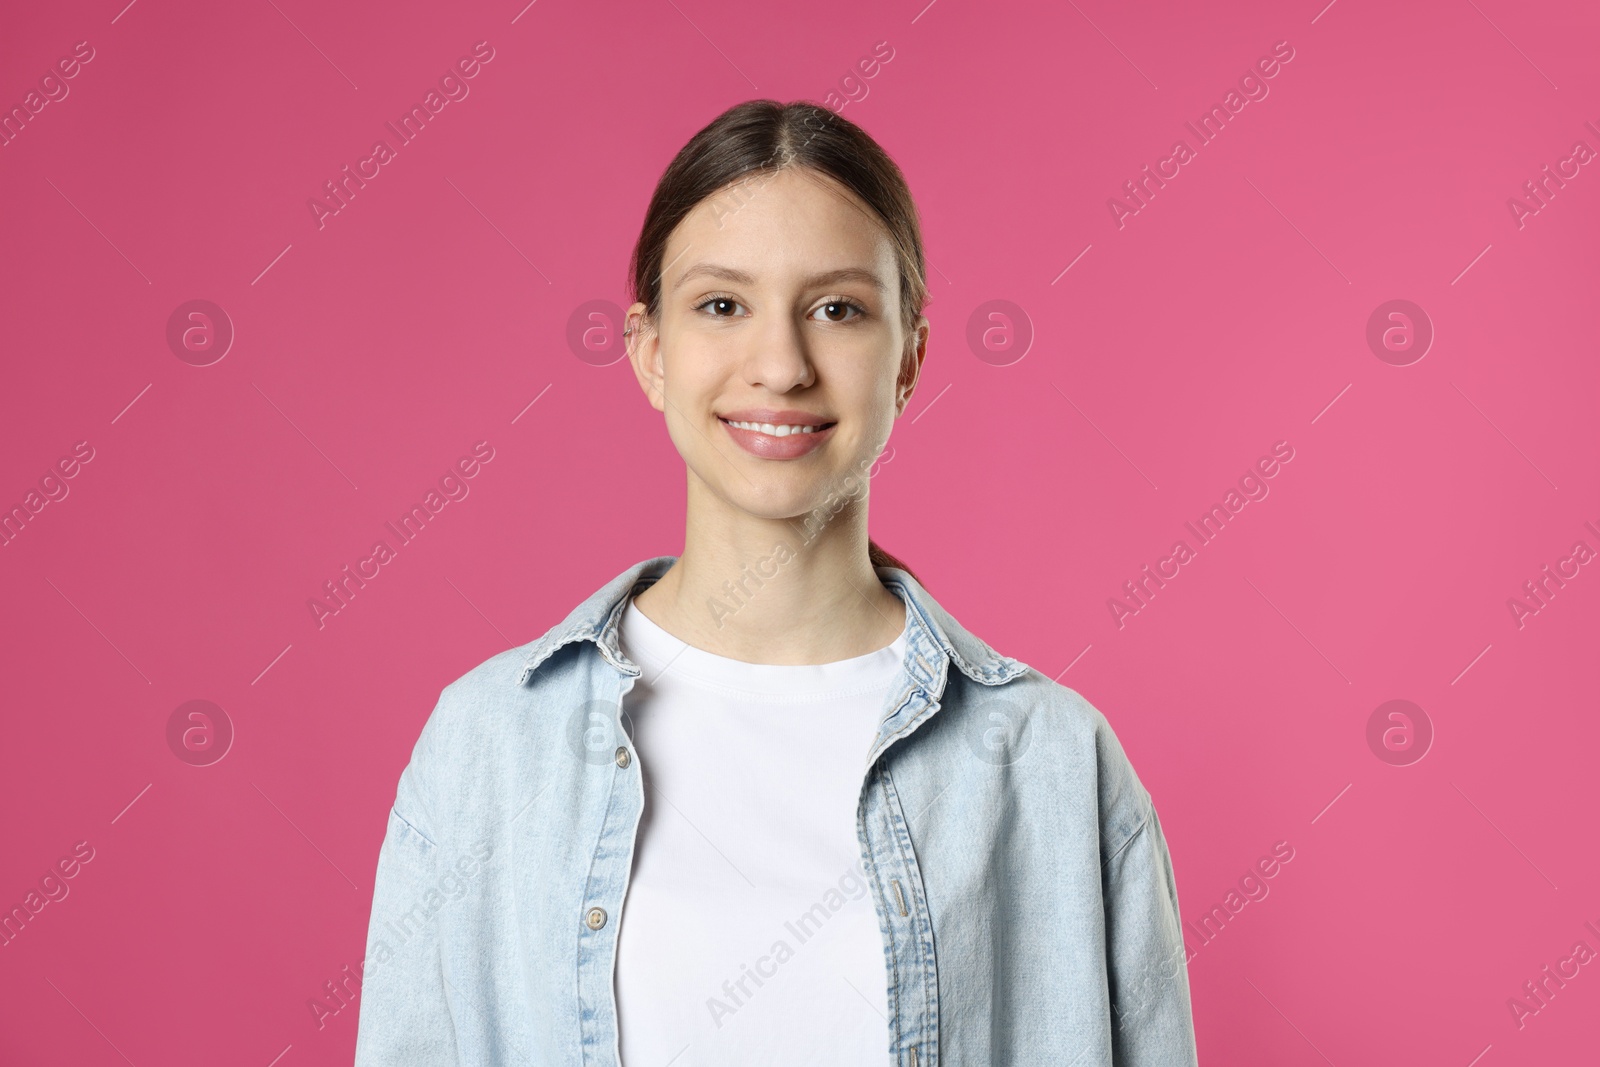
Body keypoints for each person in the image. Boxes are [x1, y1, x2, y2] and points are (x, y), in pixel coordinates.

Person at [353, 98, 1198, 1067]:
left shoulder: (1052, 760)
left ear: (910, 354)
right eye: (721, 305)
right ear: (651, 351)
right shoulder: (490, 742)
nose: (781, 364)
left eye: (837, 309)